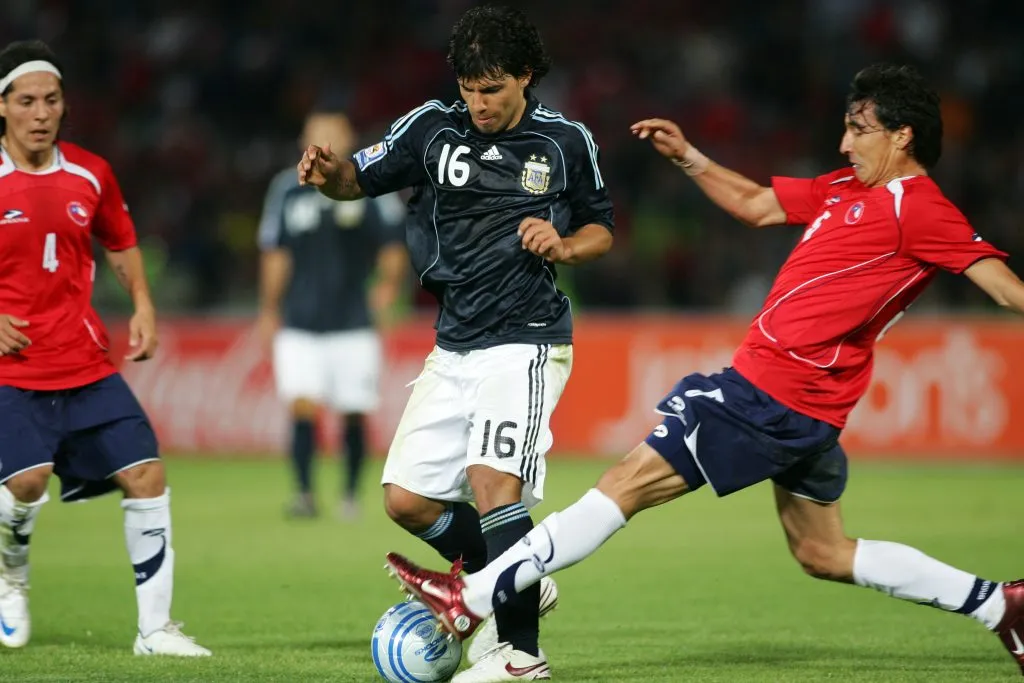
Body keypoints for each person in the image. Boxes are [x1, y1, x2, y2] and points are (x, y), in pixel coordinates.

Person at [384, 63, 1024, 677]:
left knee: (626, 482)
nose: (844, 142)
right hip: (804, 406)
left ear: (902, 134)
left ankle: (469, 600)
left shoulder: (921, 207)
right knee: (823, 553)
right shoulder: (844, 188)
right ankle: (1001, 605)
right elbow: (755, 203)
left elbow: (1000, 286)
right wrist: (689, 157)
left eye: (859, 129)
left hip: (772, 396)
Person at [298, 5, 614, 680]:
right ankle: (520, 572)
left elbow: (601, 230)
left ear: (526, 76)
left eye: (493, 89)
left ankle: (521, 655)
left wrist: (563, 243)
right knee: (406, 499)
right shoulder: (431, 127)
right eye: (469, 88)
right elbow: (355, 177)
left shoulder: (564, 142)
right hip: (454, 341)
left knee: (494, 482)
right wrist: (326, 174)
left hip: (525, 339)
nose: (478, 102)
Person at [0, 40, 210, 656]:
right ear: (3, 107)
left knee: (146, 474)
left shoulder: (90, 173)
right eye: (27, 101)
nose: (41, 113)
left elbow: (119, 240)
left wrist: (143, 303)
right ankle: (10, 578)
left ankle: (154, 631)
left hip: (84, 361)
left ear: (64, 107)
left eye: (52, 101)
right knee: (27, 484)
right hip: (12, 370)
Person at [258, 106, 408, 520]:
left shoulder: (368, 184)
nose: (324, 137)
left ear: (348, 139)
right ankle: (305, 494)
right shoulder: (286, 189)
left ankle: (349, 496)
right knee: (302, 406)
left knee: (354, 409)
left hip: (353, 321)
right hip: (300, 321)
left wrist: (388, 285)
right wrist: (269, 309)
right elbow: (276, 252)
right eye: (316, 131)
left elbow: (393, 241)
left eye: (332, 131)